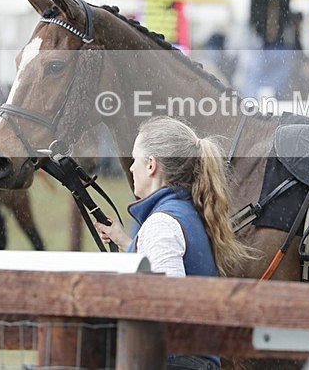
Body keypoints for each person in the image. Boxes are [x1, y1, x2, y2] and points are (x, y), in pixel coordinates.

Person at [94, 116, 253, 369]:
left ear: (151, 165)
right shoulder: (185, 211)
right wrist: (127, 241)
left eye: (135, 159)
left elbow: (170, 306)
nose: (131, 168)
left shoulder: (162, 224)